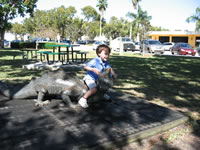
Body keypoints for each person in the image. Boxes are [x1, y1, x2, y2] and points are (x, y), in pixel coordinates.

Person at [78, 44, 117, 108]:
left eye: (108, 54)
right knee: (95, 88)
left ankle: (102, 95)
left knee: (104, 85)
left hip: (98, 79)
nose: (107, 56)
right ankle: (83, 99)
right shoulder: (95, 61)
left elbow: (109, 69)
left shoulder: (105, 62)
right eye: (105, 54)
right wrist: (93, 69)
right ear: (99, 54)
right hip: (90, 78)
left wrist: (113, 74)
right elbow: (86, 67)